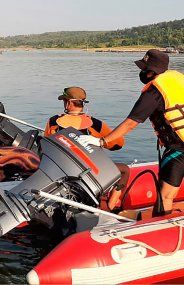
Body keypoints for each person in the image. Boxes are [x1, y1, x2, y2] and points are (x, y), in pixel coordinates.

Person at [79, 49, 184, 216]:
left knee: (165, 195)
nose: (141, 72)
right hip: (179, 144)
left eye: (144, 69)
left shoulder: (154, 92)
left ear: (152, 71)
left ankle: (161, 230)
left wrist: (101, 141)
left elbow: (130, 123)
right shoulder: (177, 81)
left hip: (179, 149)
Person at [44, 87, 128, 210]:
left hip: (63, 171)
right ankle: (110, 206)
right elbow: (118, 144)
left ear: (68, 103)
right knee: (125, 170)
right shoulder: (96, 124)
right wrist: (101, 143)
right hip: (90, 172)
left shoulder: (53, 122)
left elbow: (47, 145)